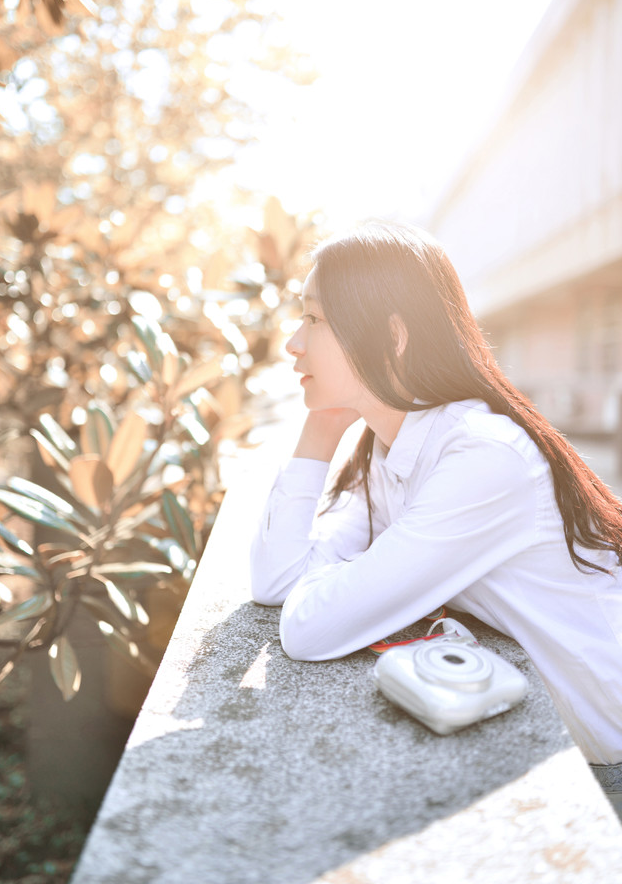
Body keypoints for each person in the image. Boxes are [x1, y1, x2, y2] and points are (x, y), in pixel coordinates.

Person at [249, 221, 622, 819]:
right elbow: (273, 585)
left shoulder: (481, 456)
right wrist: (319, 433)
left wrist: (356, 575)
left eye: (314, 320)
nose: (294, 342)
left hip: (605, 756)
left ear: (393, 335)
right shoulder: (387, 445)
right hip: (548, 739)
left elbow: (308, 628)